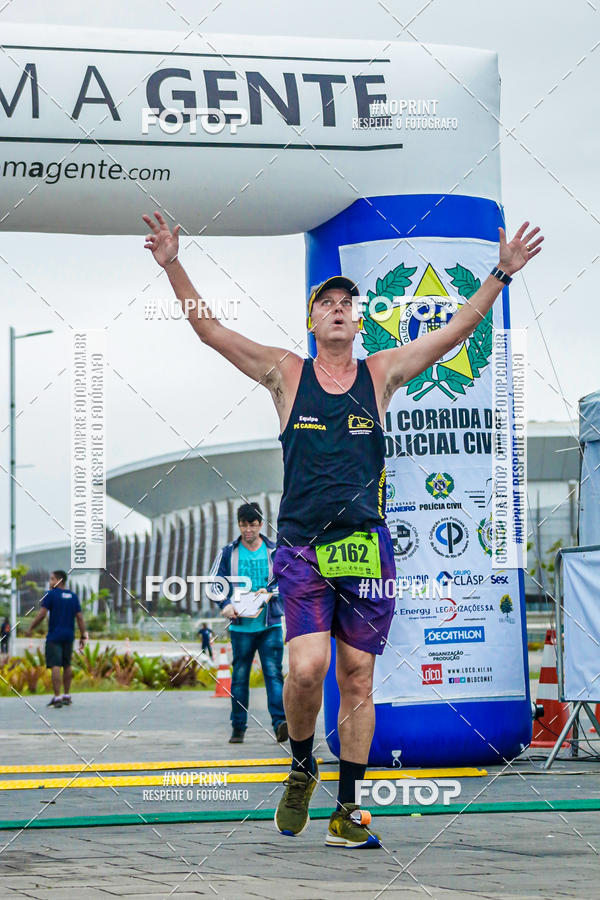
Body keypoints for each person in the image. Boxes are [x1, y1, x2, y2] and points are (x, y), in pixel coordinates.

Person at [143, 209, 543, 847]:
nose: (337, 308)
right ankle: (302, 768)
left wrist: (500, 273)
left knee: (358, 673)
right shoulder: (286, 373)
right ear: (311, 320)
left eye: (346, 303)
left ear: (358, 320)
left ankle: (349, 811)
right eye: (325, 302)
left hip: (366, 548)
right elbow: (209, 330)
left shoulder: (381, 374)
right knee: (307, 669)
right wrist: (172, 263)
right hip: (302, 548)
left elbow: (458, 330)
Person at [209, 501, 287, 744]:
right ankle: (238, 727)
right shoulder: (228, 553)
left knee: (273, 674)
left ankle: (280, 724)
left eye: (252, 525)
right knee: (240, 676)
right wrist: (225, 605)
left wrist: (270, 592)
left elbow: (286, 581)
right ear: (239, 525)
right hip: (241, 627)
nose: (248, 530)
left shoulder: (274, 551)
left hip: (269, 624)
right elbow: (214, 583)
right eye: (243, 525)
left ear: (261, 524)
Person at [26, 570, 88, 708]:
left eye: (52, 579)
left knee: (55, 665)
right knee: (67, 665)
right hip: (69, 636)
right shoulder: (73, 596)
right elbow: (80, 617)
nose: (50, 581)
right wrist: (83, 635)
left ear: (59, 580)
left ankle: (57, 697)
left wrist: (30, 628)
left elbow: (42, 614)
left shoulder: (51, 595)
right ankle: (67, 695)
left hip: (54, 636)